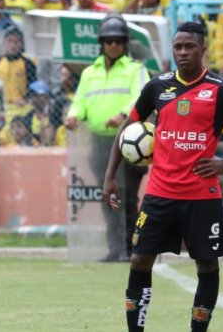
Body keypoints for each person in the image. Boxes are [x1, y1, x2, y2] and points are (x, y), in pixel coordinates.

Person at [105, 21, 223, 332]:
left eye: (189, 46)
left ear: (203, 49)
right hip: (159, 194)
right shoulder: (157, 87)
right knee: (140, 260)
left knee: (206, 265)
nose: (183, 52)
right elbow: (126, 129)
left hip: (201, 195)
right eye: (178, 47)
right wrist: (109, 176)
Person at [65, 14, 149, 261]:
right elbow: (80, 101)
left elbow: (141, 96)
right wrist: (73, 116)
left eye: (118, 40)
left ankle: (132, 248)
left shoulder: (136, 69)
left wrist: (124, 114)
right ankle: (115, 248)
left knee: (128, 197)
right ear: (101, 42)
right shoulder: (90, 72)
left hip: (129, 143)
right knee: (108, 197)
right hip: (99, 143)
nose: (113, 45)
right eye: (109, 40)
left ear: (125, 43)